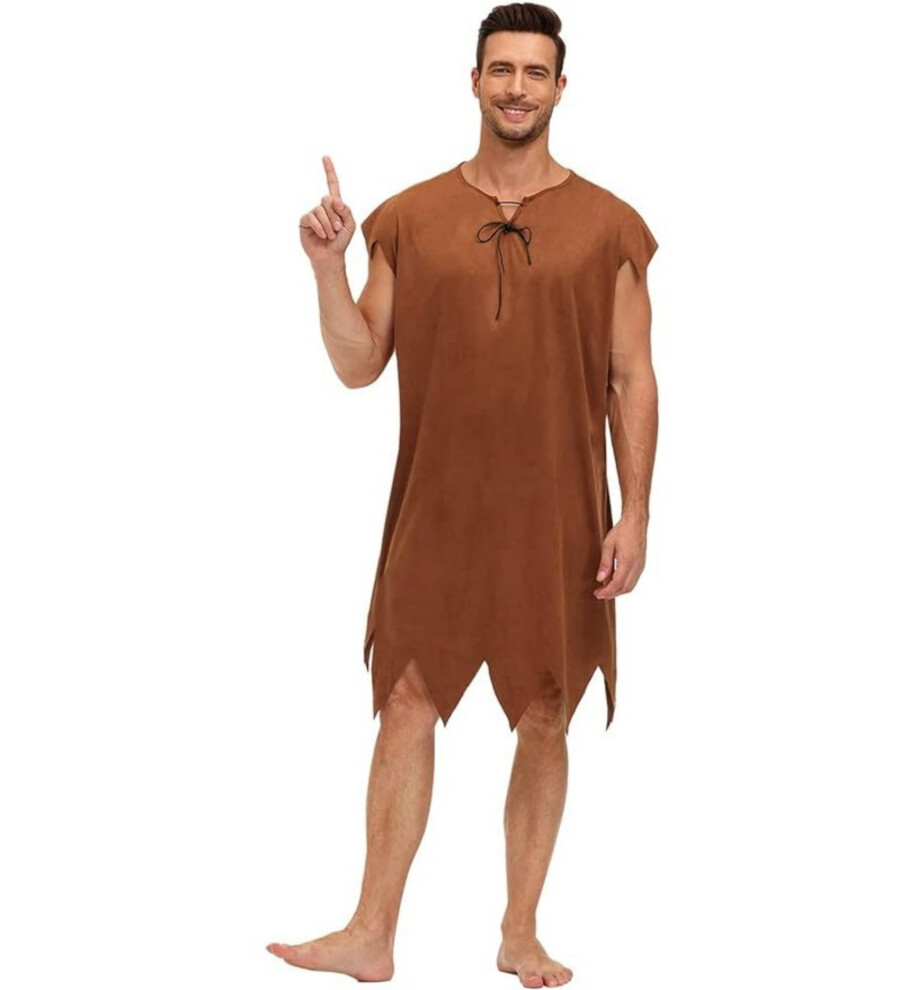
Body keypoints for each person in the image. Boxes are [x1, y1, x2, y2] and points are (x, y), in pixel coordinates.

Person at [270, 4, 659, 985]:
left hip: (557, 509)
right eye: (501, 69)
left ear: (560, 87)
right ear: (474, 80)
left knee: (546, 707)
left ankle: (519, 932)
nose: (517, 87)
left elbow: (632, 376)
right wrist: (328, 269)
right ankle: (371, 932)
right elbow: (359, 361)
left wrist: (636, 512)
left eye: (535, 71)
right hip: (435, 508)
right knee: (405, 698)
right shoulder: (408, 217)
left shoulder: (610, 226)